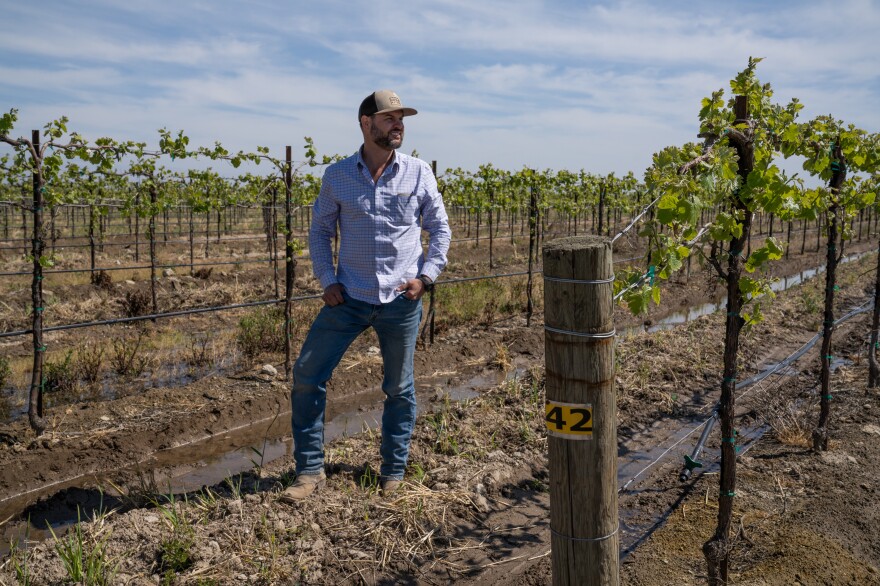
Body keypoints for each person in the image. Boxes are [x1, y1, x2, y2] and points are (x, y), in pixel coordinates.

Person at [280, 90, 452, 501]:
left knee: (399, 388)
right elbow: (320, 232)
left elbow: (440, 229)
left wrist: (425, 278)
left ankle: (392, 472)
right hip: (349, 298)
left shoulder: (419, 172)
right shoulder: (337, 175)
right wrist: (326, 280)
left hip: (401, 300)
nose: (399, 125)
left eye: (401, 119)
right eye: (390, 118)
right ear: (366, 123)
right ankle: (308, 473)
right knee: (307, 375)